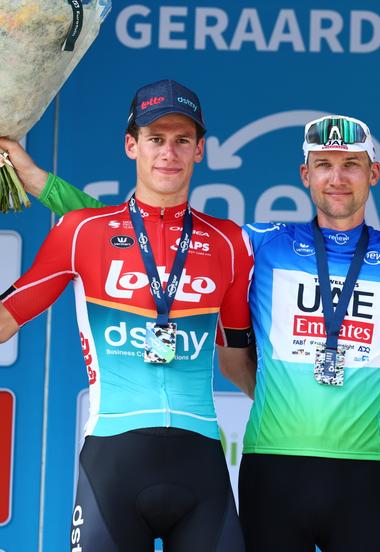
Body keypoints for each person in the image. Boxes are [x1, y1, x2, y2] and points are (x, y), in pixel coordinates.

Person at [12, 114, 380, 551]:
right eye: (324, 164)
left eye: (351, 164)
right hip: (272, 464)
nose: (337, 177)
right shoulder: (259, 243)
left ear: (374, 173)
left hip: (361, 467)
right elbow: (135, 231)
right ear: (305, 175)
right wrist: (41, 183)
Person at [0, 80, 253, 551]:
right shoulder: (83, 232)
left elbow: (237, 361)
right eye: (156, 138)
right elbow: (8, 318)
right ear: (131, 145)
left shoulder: (229, 243)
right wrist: (33, 177)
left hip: (201, 466)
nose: (168, 153)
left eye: (182, 140)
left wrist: (308, 412)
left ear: (200, 150)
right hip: (113, 466)